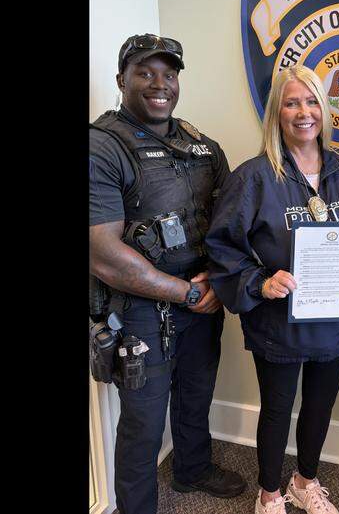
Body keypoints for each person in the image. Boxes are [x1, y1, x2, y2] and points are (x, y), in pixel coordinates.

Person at [206, 65, 339, 514]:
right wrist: (259, 282)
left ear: (325, 110)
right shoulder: (253, 177)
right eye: (292, 102)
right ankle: (269, 492)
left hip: (334, 319)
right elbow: (221, 246)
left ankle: (304, 481)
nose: (303, 112)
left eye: (311, 102)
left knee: (320, 405)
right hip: (279, 324)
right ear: (277, 112)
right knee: (276, 409)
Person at [89, 33, 247, 514]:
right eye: (145, 72)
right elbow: (102, 253)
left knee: (197, 392)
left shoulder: (201, 145)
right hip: (139, 311)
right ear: (121, 80)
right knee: (143, 421)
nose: (161, 84)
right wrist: (186, 293)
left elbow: (231, 220)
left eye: (170, 74)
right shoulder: (102, 147)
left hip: (203, 300)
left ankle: (192, 468)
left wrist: (215, 283)